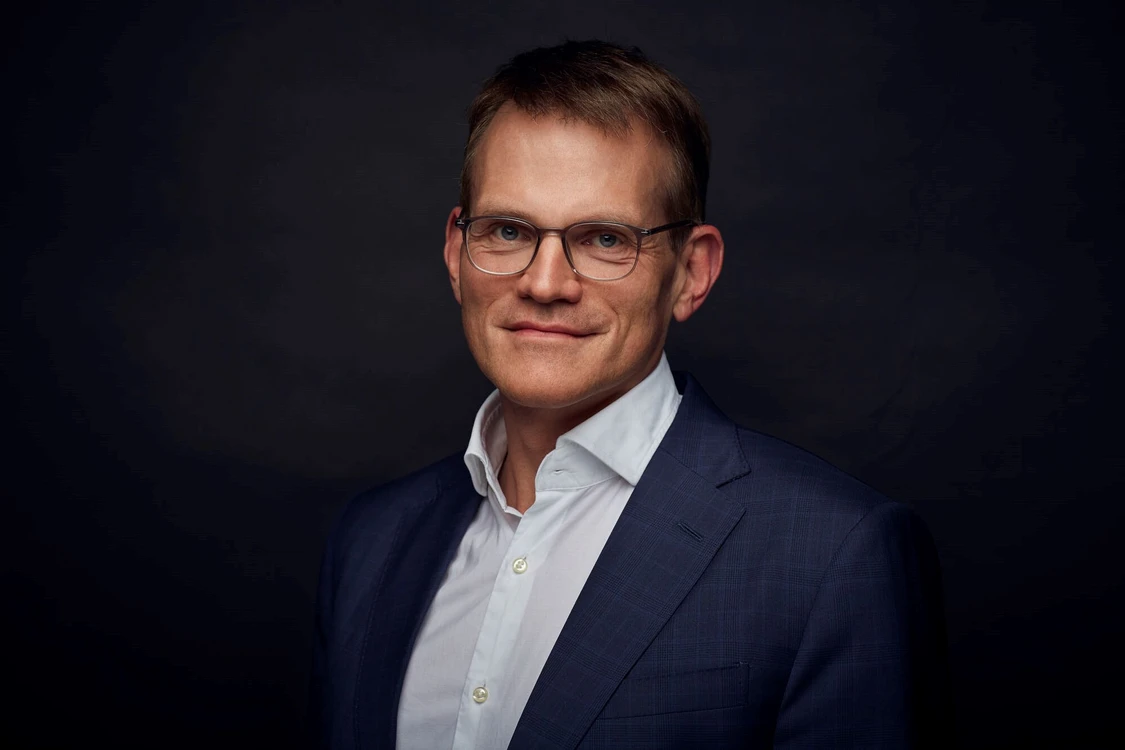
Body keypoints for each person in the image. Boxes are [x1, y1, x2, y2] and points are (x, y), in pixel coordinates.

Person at [310, 40, 952, 749]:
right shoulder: (372, 540)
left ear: (691, 273)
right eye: (507, 230)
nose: (545, 283)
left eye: (605, 240)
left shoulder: (833, 556)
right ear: (457, 254)